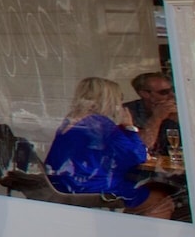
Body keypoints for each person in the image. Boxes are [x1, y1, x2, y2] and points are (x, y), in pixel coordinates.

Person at [45, 77, 173, 219]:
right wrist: (129, 126)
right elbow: (137, 155)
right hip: (91, 188)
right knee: (161, 199)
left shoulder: (74, 120)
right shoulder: (100, 124)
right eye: (119, 98)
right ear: (110, 100)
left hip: (65, 184)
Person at [124, 72, 179, 156]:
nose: (171, 95)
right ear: (144, 94)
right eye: (164, 92)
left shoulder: (177, 109)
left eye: (173, 90)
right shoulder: (128, 112)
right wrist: (157, 118)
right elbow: (141, 147)